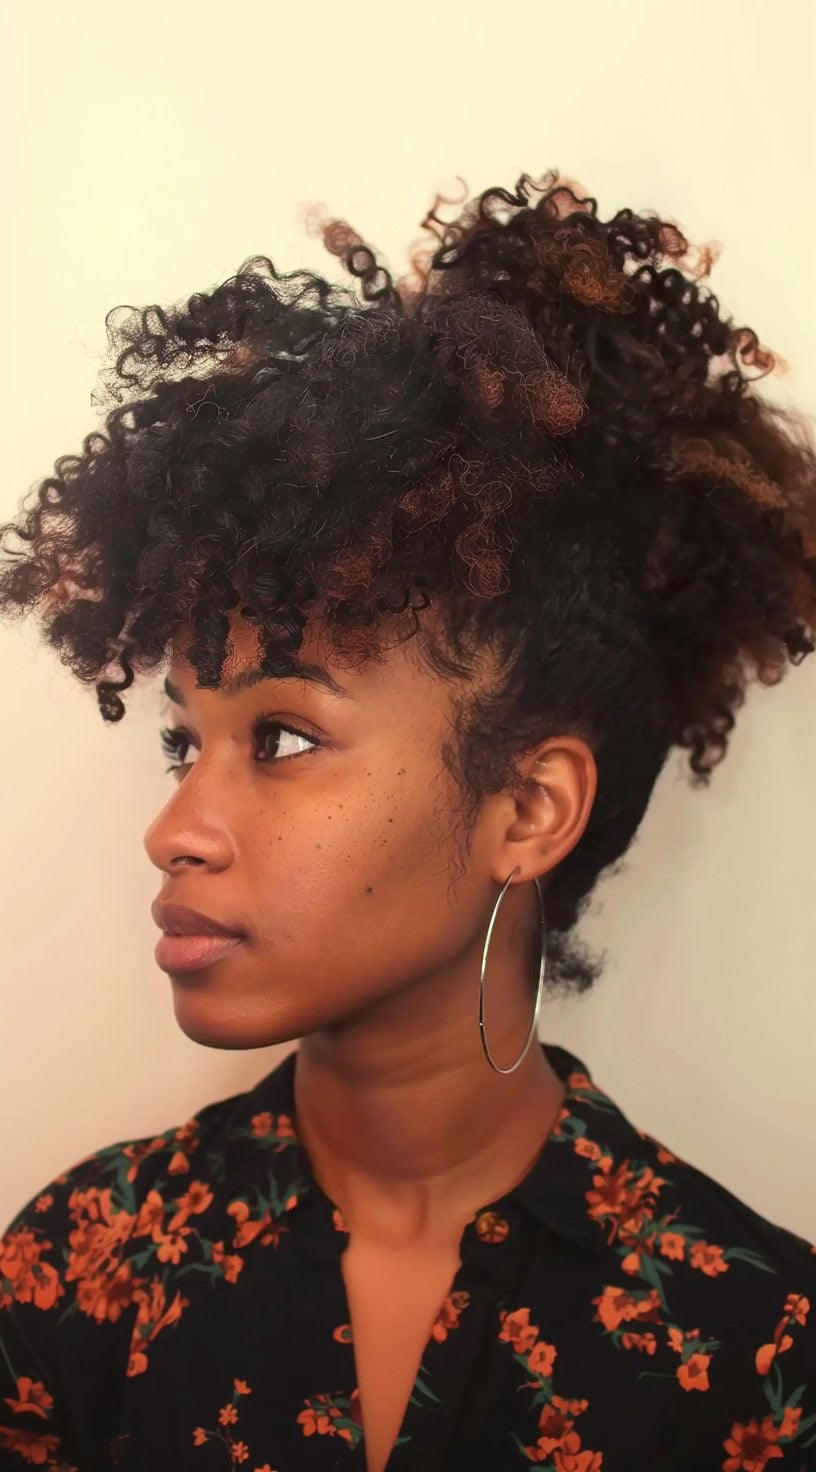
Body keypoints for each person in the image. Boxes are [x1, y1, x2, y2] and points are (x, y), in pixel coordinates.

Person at [0, 167, 814, 1472]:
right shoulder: (77, 1278)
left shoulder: (757, 1353)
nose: (175, 831)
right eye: (183, 741)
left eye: (281, 737)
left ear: (528, 808)